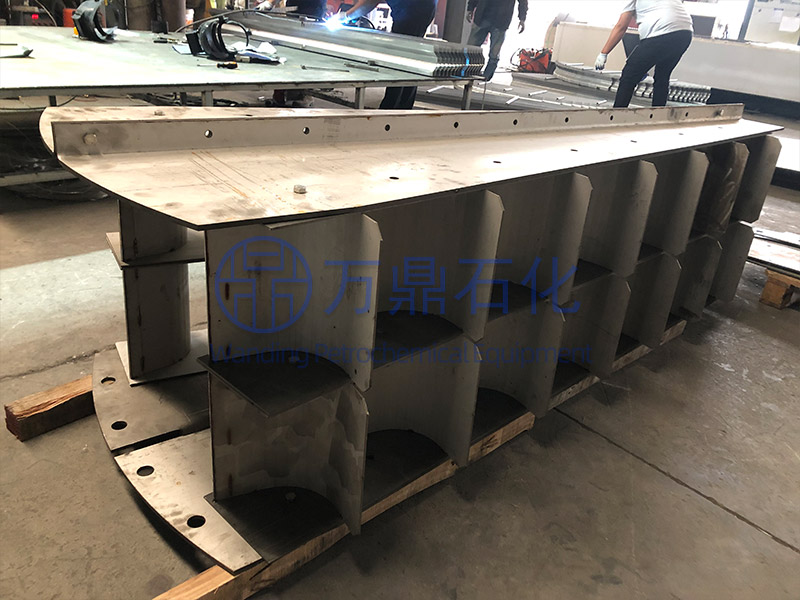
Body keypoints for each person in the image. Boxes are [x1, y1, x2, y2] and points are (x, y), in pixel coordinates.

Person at [335, 0, 438, 109]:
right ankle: (403, 107)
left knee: (401, 60)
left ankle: (390, 108)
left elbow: (369, 2)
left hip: (413, 9)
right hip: (424, 7)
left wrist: (346, 16)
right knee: (412, 56)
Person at [595, 0, 693, 108]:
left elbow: (621, 26)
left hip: (662, 31)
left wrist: (604, 53)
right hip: (685, 33)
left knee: (628, 76)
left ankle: (617, 114)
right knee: (662, 76)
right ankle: (658, 114)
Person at [467, 0, 527, 81]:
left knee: (492, 53)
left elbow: (523, 2)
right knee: (472, 49)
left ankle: (485, 76)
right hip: (486, 18)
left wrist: (522, 18)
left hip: (498, 21)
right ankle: (471, 73)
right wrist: (470, 8)